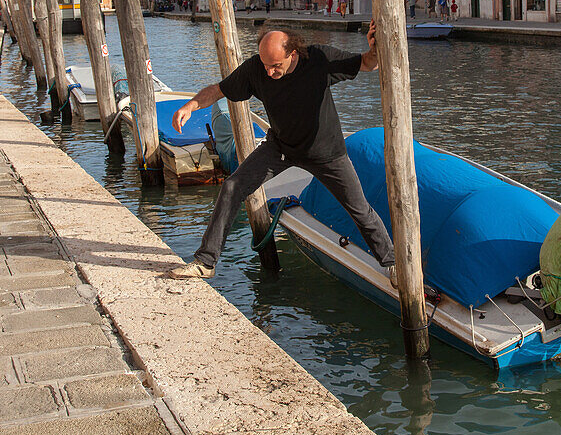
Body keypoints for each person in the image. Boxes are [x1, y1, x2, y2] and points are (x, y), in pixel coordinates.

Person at [162, 25, 396, 282]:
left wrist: (375, 49)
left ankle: (391, 262)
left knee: (360, 209)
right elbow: (219, 89)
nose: (269, 72)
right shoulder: (257, 69)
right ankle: (206, 262)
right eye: (265, 65)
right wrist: (191, 105)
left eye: (275, 65)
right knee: (232, 188)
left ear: (293, 54)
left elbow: (366, 64)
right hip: (281, 148)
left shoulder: (318, 59)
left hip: (326, 153)